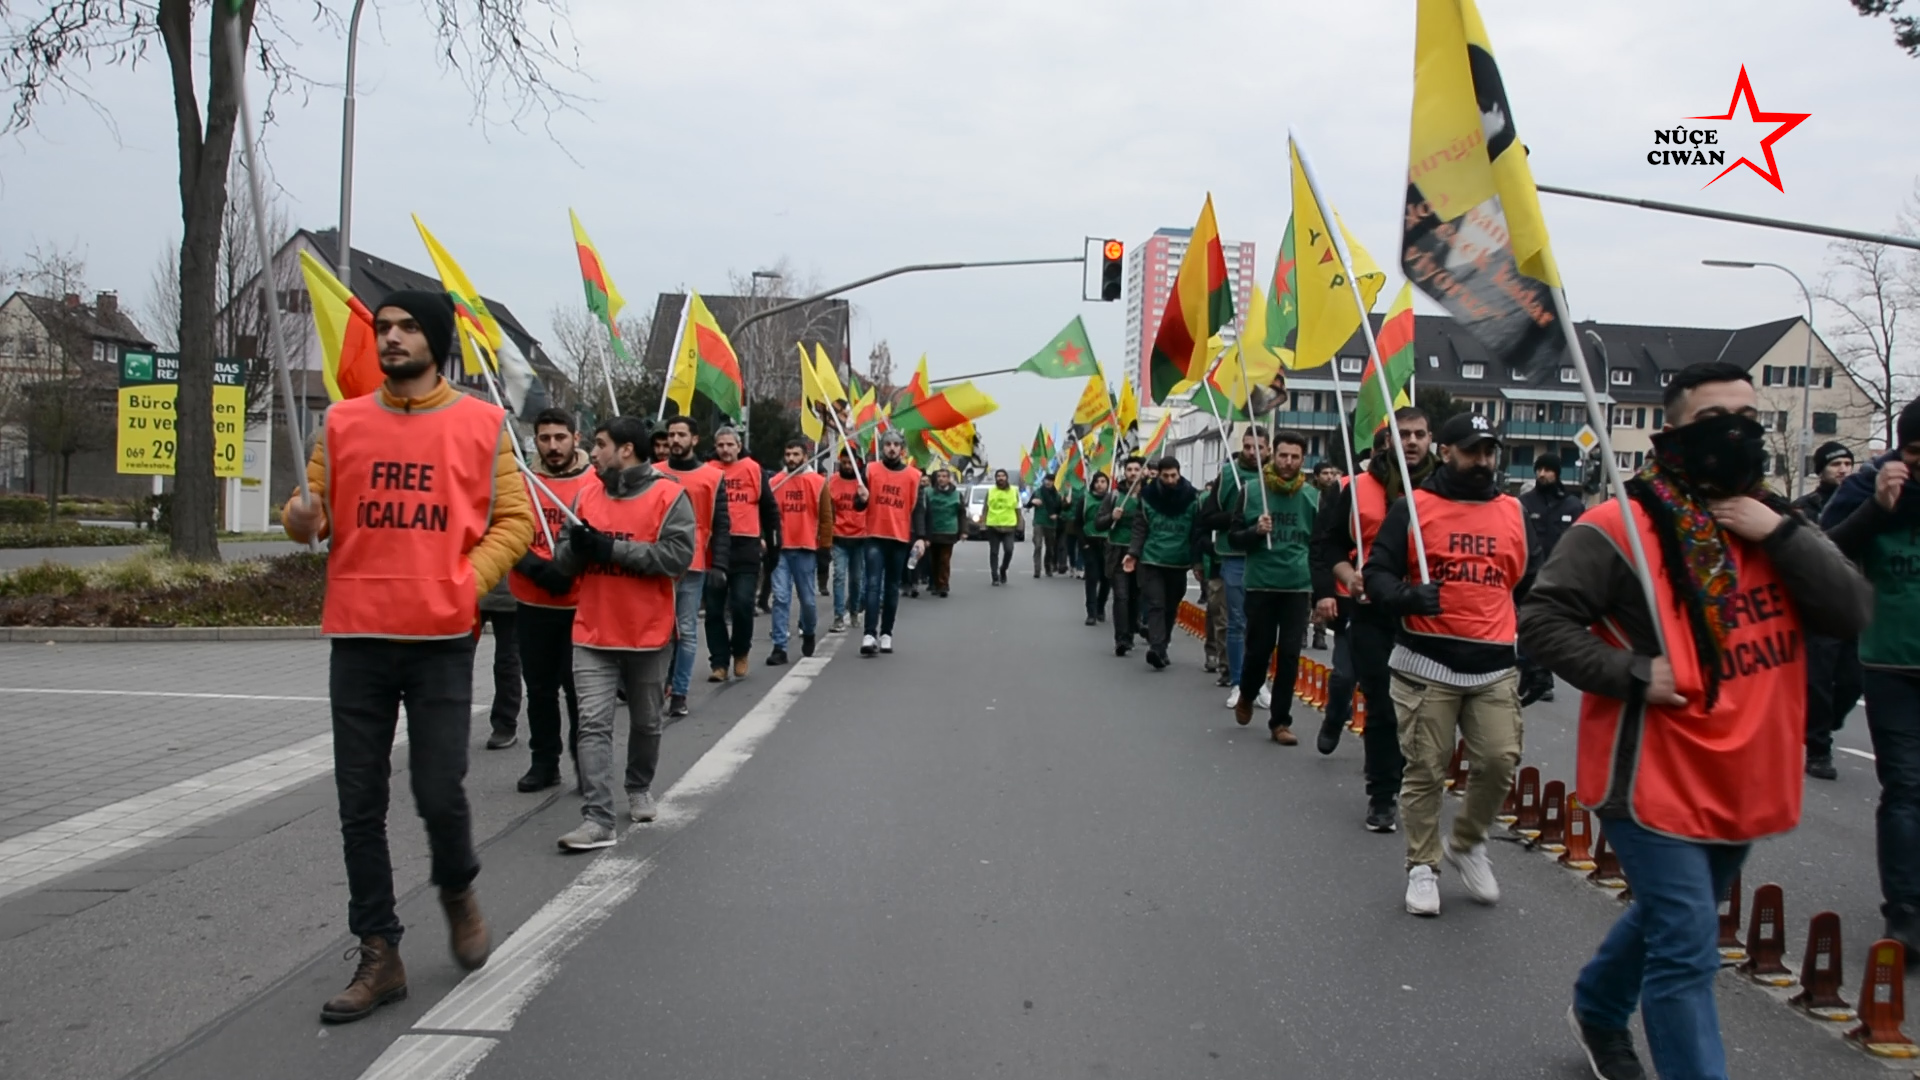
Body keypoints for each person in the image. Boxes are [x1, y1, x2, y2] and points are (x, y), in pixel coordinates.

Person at [1523, 361, 1869, 1080]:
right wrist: (1633, 673)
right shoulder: (1619, 526)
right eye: (1713, 422)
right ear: (1671, 431)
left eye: (1748, 420)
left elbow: (1849, 610)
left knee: (1674, 917)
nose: (1735, 435)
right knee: (1685, 946)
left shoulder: (1776, 520)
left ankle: (1598, 1006)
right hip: (1652, 779)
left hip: (1744, 775)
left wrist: (1781, 534)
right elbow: (1543, 621)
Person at [282, 289, 534, 1023]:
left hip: (440, 642)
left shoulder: (483, 423)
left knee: (437, 789)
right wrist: (299, 516)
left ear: (437, 341)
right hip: (359, 636)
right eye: (384, 327)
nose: (391, 337)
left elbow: (515, 521)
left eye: (407, 327)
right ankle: (379, 950)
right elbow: (308, 515)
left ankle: (457, 888)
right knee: (358, 802)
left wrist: (465, 583)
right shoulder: (342, 421)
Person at [1363, 412, 1533, 919]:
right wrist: (1408, 596)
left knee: (1499, 759)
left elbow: (1528, 585)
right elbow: (1377, 575)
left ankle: (1468, 841)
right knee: (1426, 770)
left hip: (1493, 663)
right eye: (1471, 451)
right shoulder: (1413, 508)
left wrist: (1536, 652)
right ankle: (1423, 865)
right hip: (1426, 662)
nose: (1482, 461)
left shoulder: (1513, 511)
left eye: (1488, 452)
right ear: (1446, 452)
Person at [551, 415, 696, 850]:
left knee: (647, 722)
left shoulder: (670, 495)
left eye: (600, 444)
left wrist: (610, 548)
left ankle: (638, 786)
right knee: (592, 725)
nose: (592, 453)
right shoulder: (585, 494)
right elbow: (563, 561)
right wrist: (577, 550)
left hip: (647, 633)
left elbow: (676, 558)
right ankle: (597, 818)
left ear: (626, 449)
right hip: (592, 632)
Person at [1822, 410, 1920, 969]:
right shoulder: (1870, 486)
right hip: (1891, 661)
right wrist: (1878, 508)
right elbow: (1825, 553)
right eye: (1916, 453)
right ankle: (1904, 911)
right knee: (1905, 785)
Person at [1311, 409, 1438, 833]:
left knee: (1426, 710)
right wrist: (1347, 578)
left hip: (1429, 614)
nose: (1412, 442)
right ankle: (1382, 795)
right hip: (1371, 611)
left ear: (1431, 439)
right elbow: (1330, 545)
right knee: (1383, 705)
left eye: (1419, 434)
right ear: (1388, 441)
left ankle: (1414, 783)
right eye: (1404, 434)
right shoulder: (1357, 487)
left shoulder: (1446, 488)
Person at [507, 407, 597, 792]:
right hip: (532, 602)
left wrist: (568, 568)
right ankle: (544, 762)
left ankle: (585, 764)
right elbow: (504, 530)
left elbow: (603, 534)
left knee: (579, 692)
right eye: (544, 438)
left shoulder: (595, 482)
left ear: (576, 438)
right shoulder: (520, 481)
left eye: (560, 437)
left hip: (580, 604)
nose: (552, 446)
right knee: (539, 689)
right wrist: (533, 567)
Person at [1228, 431, 1319, 745]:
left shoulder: (1312, 496)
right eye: (1283, 455)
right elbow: (1233, 538)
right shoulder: (1252, 491)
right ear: (1272, 455)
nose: (1288, 462)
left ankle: (1280, 721)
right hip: (1261, 584)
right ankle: (1247, 692)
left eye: (1295, 457)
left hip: (1297, 585)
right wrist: (1255, 531)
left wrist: (1322, 591)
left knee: (1290, 655)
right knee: (1259, 651)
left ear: (1303, 460)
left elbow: (1320, 545)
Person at [1797, 441, 1861, 780]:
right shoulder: (1805, 509)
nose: (1843, 469)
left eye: (1848, 463)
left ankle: (1823, 724)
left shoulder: (1863, 504)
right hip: (1818, 608)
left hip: (1852, 606)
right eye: (1836, 464)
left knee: (1854, 679)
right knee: (1819, 683)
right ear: (1821, 469)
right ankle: (1818, 750)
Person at [660, 416, 730, 718]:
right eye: (671, 434)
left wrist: (720, 565)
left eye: (681, 434)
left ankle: (679, 692)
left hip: (693, 563)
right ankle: (657, 684)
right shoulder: (655, 473)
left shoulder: (712, 477)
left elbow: (722, 524)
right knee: (658, 630)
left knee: (686, 630)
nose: (675, 440)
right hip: (657, 562)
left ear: (695, 439)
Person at [1202, 429, 1268, 705]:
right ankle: (1238, 682)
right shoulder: (1228, 475)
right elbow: (1208, 517)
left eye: (1259, 447)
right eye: (1248, 446)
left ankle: (1260, 682)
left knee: (1262, 625)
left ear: (1268, 450)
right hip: (1235, 556)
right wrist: (1240, 514)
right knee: (1236, 622)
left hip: (1266, 558)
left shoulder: (1274, 477)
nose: (1253, 452)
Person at [1517, 454, 1587, 704]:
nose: (1542, 474)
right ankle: (1535, 674)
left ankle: (1541, 674)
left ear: (1557, 473)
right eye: (1539, 469)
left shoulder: (1572, 506)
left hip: (1561, 578)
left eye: (1548, 470)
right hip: (1530, 577)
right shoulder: (1524, 504)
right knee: (1528, 626)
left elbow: (1582, 543)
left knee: (1550, 628)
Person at [709, 427, 775, 681]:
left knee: (742, 603)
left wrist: (771, 541)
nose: (725, 449)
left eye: (730, 445)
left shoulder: (753, 469)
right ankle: (719, 662)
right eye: (720, 445)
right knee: (714, 609)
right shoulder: (709, 470)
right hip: (715, 545)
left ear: (739, 446)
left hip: (746, 544)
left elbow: (769, 509)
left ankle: (741, 651)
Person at [1125, 456, 1199, 671]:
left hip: (1179, 561)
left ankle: (1163, 645)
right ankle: (1156, 648)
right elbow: (1140, 528)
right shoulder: (1148, 497)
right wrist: (1133, 553)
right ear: (1159, 475)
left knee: (1170, 607)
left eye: (1173, 475)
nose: (1169, 480)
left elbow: (1197, 532)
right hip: (1152, 559)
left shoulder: (1192, 498)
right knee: (1156, 604)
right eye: (1165, 476)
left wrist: (1198, 562)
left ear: (1179, 473)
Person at [857, 431, 925, 656]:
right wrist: (861, 499)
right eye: (887, 444)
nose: (892, 448)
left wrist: (921, 538)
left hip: (899, 538)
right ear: (882, 447)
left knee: (892, 587)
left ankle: (886, 633)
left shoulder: (913, 476)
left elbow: (918, 510)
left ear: (902, 449)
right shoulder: (870, 470)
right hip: (875, 535)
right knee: (872, 585)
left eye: (896, 444)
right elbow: (859, 504)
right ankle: (869, 634)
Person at [767, 438, 831, 666]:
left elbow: (826, 517)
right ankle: (779, 646)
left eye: (796, 454)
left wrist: (825, 548)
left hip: (806, 548)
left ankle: (809, 631)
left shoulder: (818, 483)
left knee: (808, 600)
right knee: (780, 598)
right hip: (781, 549)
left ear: (805, 456)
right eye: (788, 454)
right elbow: (767, 515)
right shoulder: (775, 482)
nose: (791, 459)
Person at [1103, 456, 1148, 655]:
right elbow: (1098, 523)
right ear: (1124, 472)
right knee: (1121, 596)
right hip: (1118, 551)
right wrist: (1111, 517)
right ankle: (1121, 639)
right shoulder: (1114, 496)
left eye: (1136, 469)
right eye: (1129, 469)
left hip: (1141, 553)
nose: (1132, 473)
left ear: (1143, 472)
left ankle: (1131, 631)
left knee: (1136, 597)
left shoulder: (1149, 497)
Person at [477, 577, 522, 749]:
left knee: (507, 662)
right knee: (457, 664)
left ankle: (505, 725)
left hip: (510, 595)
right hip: (471, 592)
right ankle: (452, 723)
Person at [827, 447, 867, 631]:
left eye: (851, 463)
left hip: (859, 538)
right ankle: (838, 616)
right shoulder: (833, 481)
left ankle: (854, 612)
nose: (848, 466)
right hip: (839, 537)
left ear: (857, 462)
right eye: (844, 463)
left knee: (856, 579)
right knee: (839, 577)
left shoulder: (863, 482)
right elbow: (828, 508)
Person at [922, 467, 966, 597]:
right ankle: (935, 584)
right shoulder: (928, 493)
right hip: (932, 531)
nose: (941, 479)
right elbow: (922, 512)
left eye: (944, 476)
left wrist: (963, 531)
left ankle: (943, 585)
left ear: (949, 479)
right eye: (939, 476)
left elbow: (961, 514)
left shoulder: (956, 495)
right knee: (933, 560)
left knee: (944, 560)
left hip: (949, 531)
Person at [1078, 471, 1114, 624]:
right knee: (1092, 577)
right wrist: (1083, 543)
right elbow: (1078, 522)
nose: (1100, 485)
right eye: (1097, 482)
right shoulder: (1085, 499)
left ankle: (1100, 606)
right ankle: (1091, 612)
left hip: (1108, 542)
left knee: (1106, 578)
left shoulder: (1112, 499)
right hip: (1090, 541)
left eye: (1103, 482)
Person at [983, 469, 1021, 585]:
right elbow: (985, 508)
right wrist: (983, 523)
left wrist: (1020, 524)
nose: (1000, 478)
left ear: (1006, 478)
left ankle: (1003, 569)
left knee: (1009, 550)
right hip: (993, 525)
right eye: (998, 476)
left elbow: (1018, 508)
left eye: (1003, 476)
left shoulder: (1014, 491)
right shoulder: (990, 491)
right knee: (994, 552)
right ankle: (995, 577)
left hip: (1009, 525)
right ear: (996, 478)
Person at [1027, 477, 1062, 578]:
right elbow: (1028, 505)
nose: (1048, 482)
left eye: (1050, 481)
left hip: (1051, 524)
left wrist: (1056, 515)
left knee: (1050, 548)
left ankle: (1048, 567)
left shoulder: (1056, 495)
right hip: (1039, 522)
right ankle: (1037, 570)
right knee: (1038, 546)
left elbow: (1060, 509)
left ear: (1053, 482)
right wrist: (1032, 501)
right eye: (1046, 480)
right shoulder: (1038, 492)